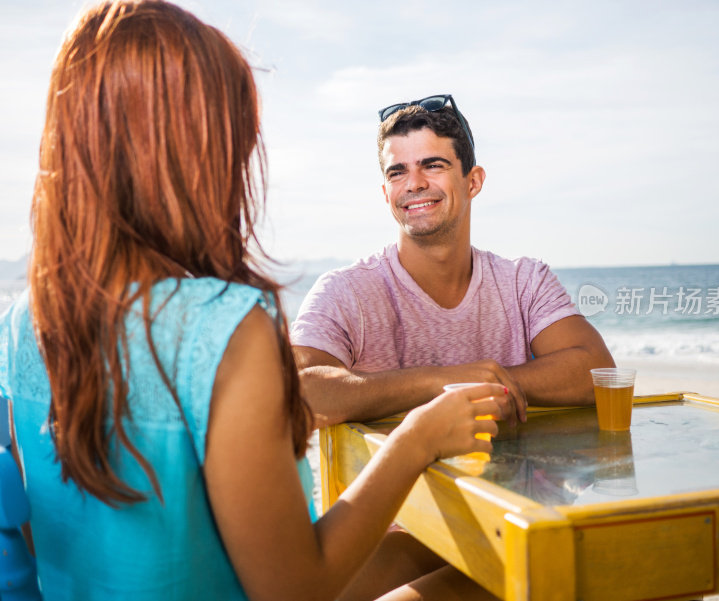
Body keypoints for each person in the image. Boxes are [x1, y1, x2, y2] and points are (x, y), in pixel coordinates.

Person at [0, 3, 506, 599]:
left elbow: (35, 537)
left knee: (427, 547)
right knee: (500, 576)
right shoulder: (225, 329)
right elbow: (296, 588)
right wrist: (417, 440)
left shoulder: (25, 320)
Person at [291, 94, 615, 427]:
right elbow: (298, 394)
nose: (414, 183)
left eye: (432, 165)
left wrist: (487, 383)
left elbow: (598, 372)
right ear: (386, 192)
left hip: (512, 477)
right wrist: (442, 382)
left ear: (473, 181)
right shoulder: (345, 291)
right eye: (397, 172)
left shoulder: (524, 282)